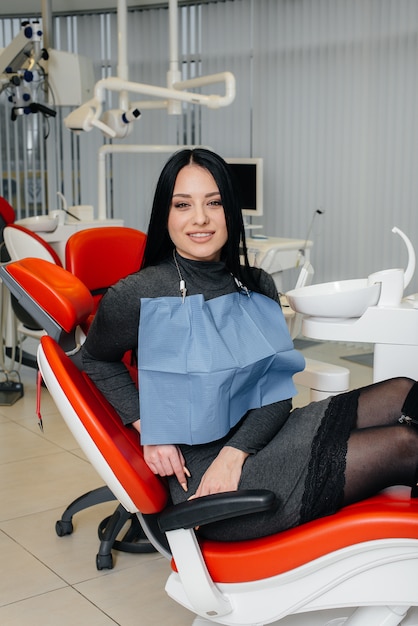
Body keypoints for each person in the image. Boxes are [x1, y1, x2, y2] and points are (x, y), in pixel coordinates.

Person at [82, 147, 418, 542]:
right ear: (166, 214)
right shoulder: (139, 292)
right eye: (183, 205)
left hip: (258, 441)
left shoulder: (256, 284)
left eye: (214, 202)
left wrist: (235, 452)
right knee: (404, 445)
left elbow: (275, 393)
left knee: (403, 390)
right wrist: (149, 427)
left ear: (231, 210)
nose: (200, 218)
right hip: (209, 480)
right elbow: (95, 359)